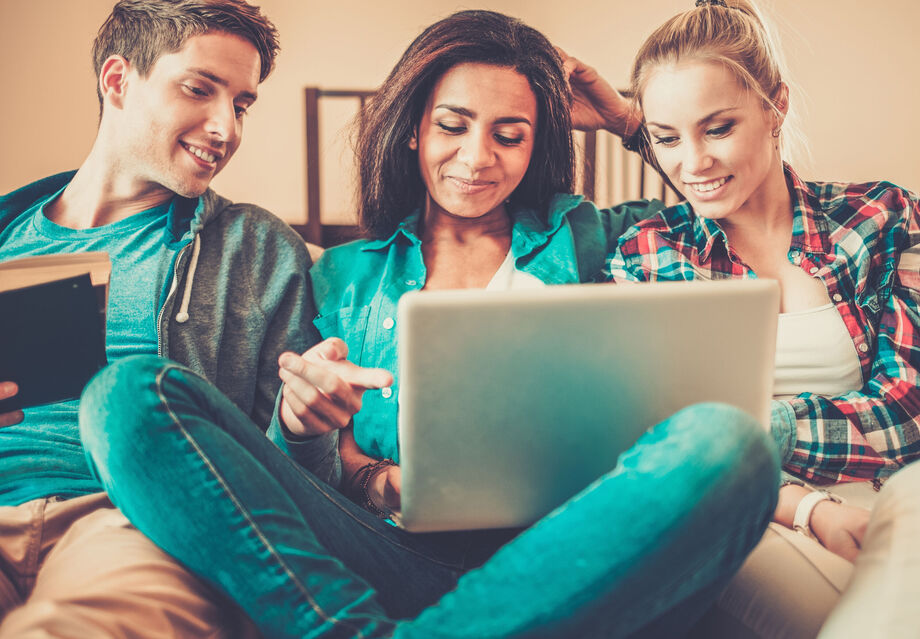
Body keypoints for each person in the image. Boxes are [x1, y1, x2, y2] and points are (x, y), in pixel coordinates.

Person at [79, 9, 780, 639]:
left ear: (538, 145)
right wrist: (312, 429)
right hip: (395, 553)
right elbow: (316, 487)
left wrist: (631, 123)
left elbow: (746, 200)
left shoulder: (597, 237)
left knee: (732, 445)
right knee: (128, 398)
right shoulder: (339, 277)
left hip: (568, 552)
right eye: (453, 126)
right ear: (413, 127)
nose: (477, 159)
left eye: (510, 136)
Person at [571, 0, 920, 635]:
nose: (693, 164)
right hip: (755, 510)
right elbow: (649, 439)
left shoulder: (880, 217)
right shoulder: (647, 253)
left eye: (719, 128)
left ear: (775, 106)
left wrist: (753, 430)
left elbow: (908, 414)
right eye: (667, 138)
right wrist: (803, 503)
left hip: (901, 494)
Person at [0, 1, 316, 636]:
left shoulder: (255, 249)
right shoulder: (9, 239)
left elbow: (295, 487)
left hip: (133, 521)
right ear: (117, 81)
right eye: (200, 89)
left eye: (242, 104)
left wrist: (303, 426)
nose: (224, 127)